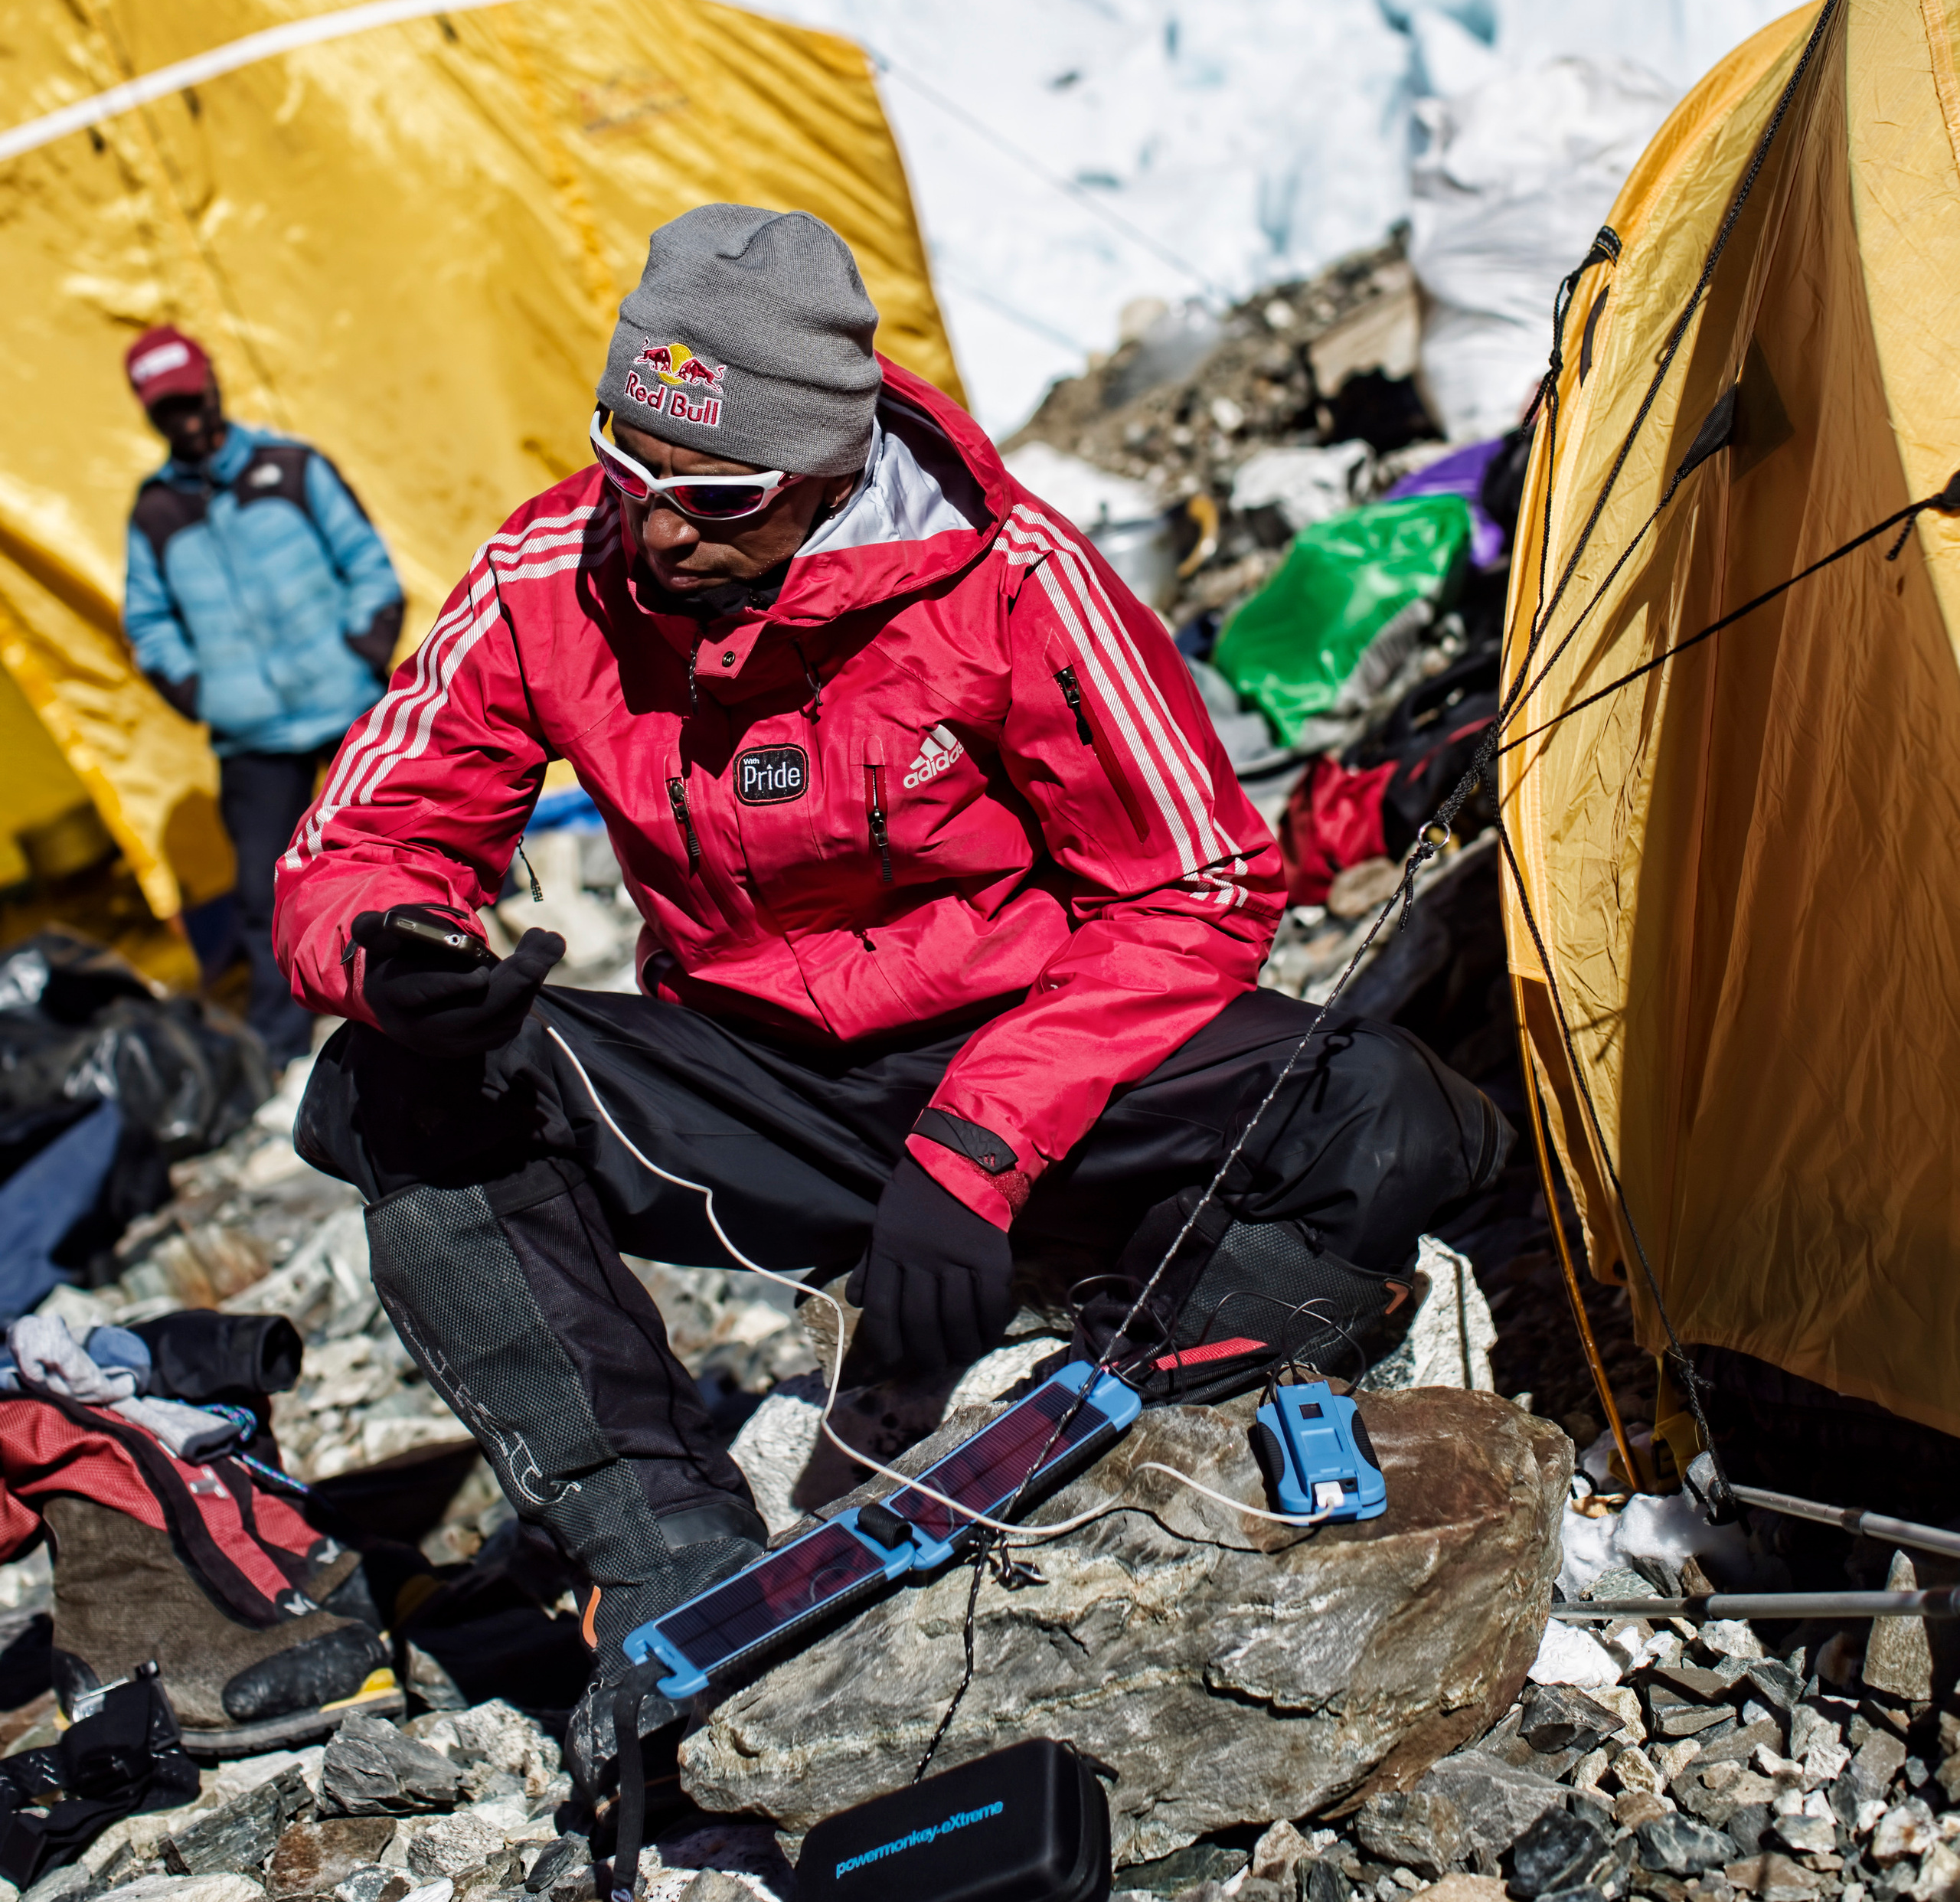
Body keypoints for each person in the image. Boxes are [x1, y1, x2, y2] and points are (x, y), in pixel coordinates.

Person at [273, 206, 1508, 1786]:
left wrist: (975, 1146)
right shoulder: (544, 573)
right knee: (390, 1086)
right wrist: (392, 950)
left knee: (1377, 1108)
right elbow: (364, 838)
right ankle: (662, 1547)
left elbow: (1198, 886)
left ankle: (1149, 1371)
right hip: (750, 1082)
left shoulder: (1014, 580)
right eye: (628, 465)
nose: (656, 529)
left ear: (825, 470)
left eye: (713, 498)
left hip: (1027, 1063)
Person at [122, 327, 403, 1067]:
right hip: (249, 735)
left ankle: (456, 973)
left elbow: (368, 565)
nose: (182, 416)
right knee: (262, 892)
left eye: (188, 397)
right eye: (164, 408)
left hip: (342, 701)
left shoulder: (292, 466)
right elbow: (147, 623)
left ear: (212, 384)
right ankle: (281, 1047)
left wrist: (360, 654)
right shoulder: (153, 514)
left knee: (407, 838)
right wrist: (203, 694)